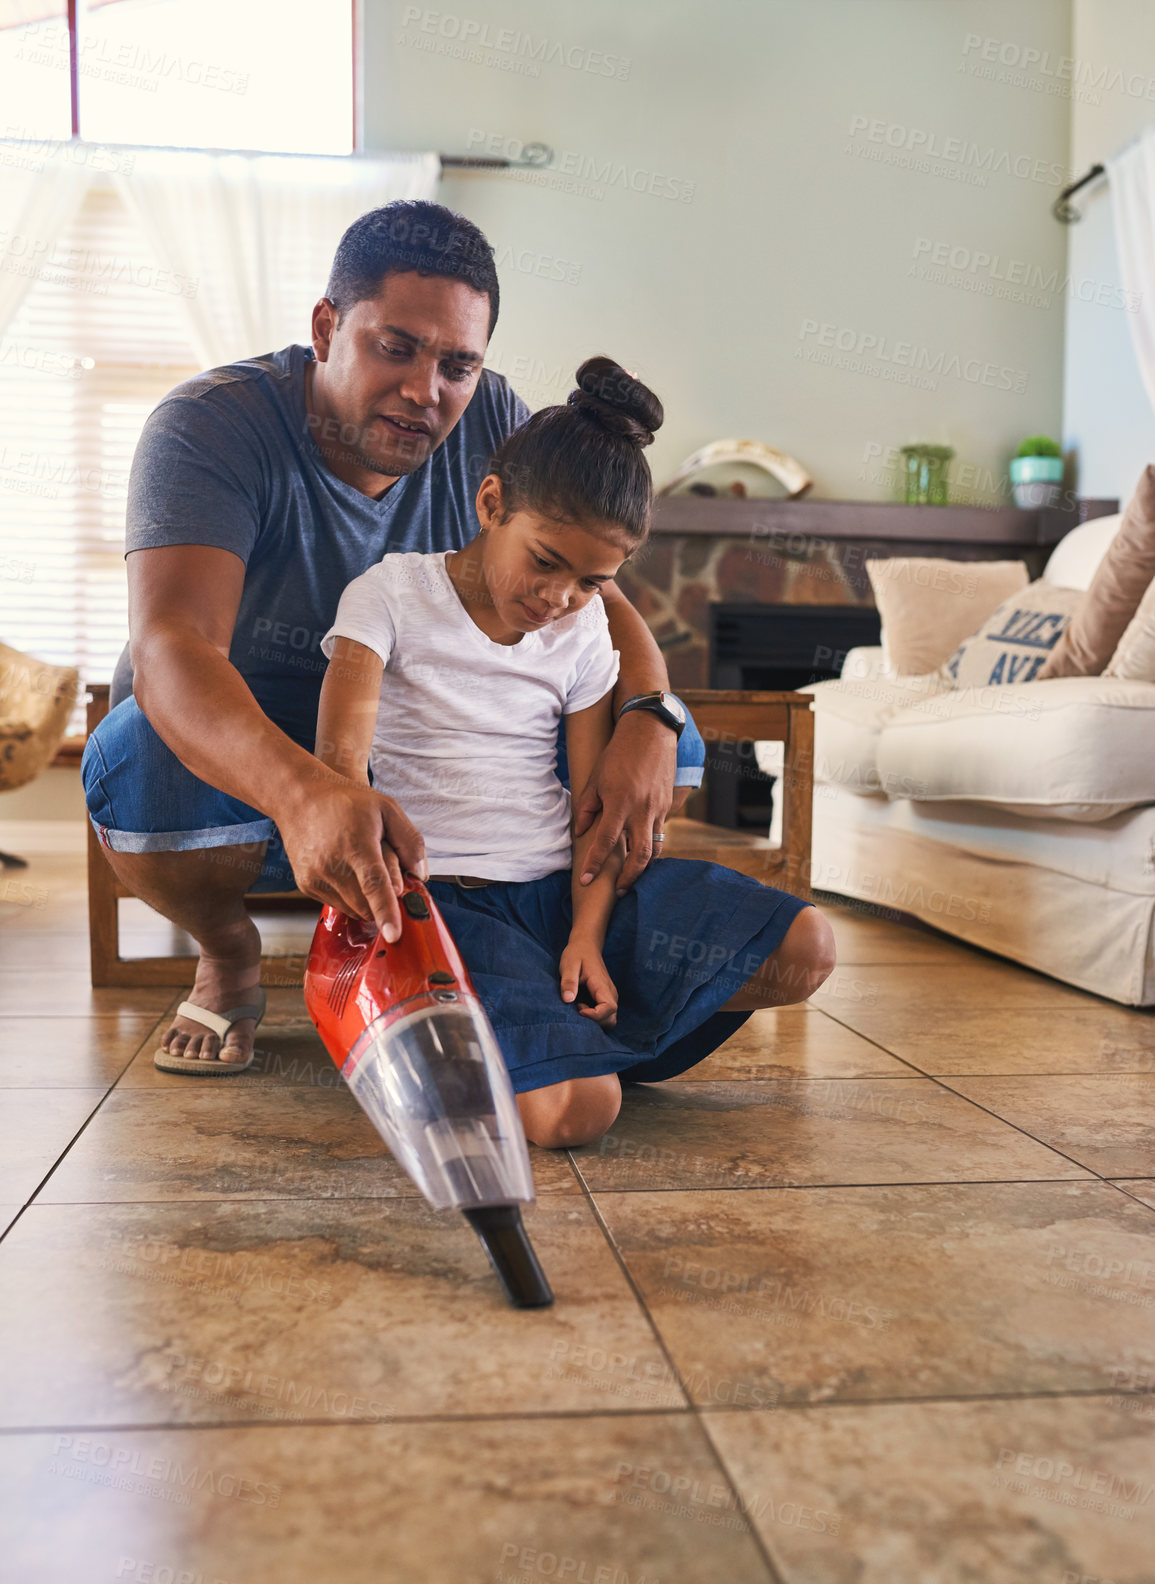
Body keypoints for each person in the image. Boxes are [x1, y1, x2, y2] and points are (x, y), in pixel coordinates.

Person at [81, 202, 704, 1073]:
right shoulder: (209, 424)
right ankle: (227, 950)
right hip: (249, 731)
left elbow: (595, 600)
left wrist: (653, 712)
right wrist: (307, 793)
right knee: (141, 766)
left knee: (671, 748)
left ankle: (529, 946)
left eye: (458, 363)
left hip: (419, 725)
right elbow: (172, 650)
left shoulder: (493, 421)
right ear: (327, 326)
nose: (427, 391)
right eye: (395, 346)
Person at [314, 358, 835, 1148]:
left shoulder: (582, 629)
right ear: (492, 503)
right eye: (546, 561)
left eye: (591, 581)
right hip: (446, 909)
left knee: (806, 948)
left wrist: (587, 934)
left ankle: (547, 1039)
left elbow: (593, 812)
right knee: (580, 1112)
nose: (557, 597)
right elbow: (339, 769)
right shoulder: (387, 596)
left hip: (557, 896)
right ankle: (512, 1042)